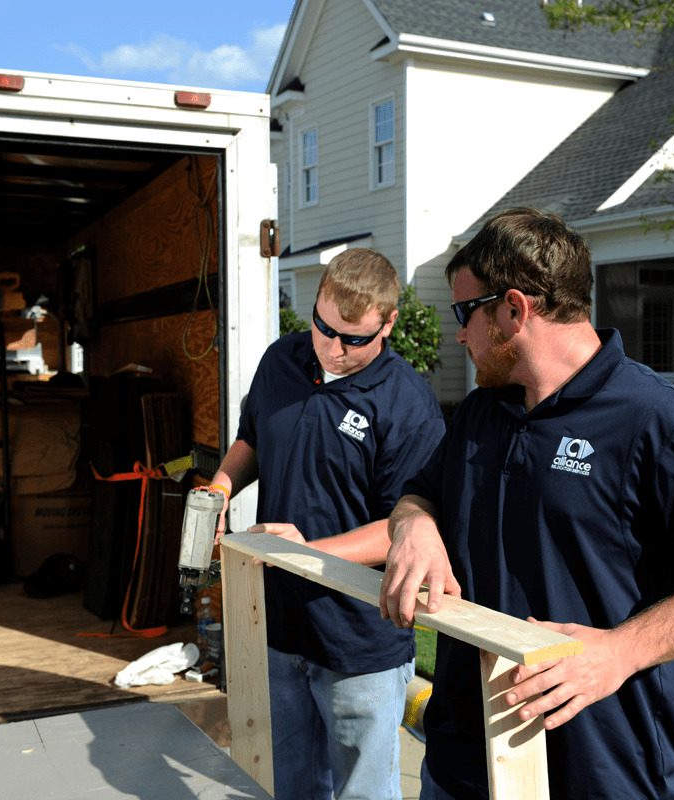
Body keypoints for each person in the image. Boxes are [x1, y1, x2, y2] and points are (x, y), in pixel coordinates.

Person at [378, 208, 674, 800]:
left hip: (599, 770)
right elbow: (418, 495)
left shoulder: (655, 419)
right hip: (463, 761)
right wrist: (413, 526)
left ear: (514, 310)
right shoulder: (478, 414)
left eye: (466, 313)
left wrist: (620, 652)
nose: (461, 334)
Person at [208, 248, 445, 800]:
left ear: (388, 323)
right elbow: (253, 439)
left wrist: (309, 549)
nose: (333, 349)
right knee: (289, 785)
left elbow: (404, 523)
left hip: (359, 639)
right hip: (279, 625)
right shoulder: (281, 360)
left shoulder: (407, 404)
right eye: (323, 328)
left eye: (353, 339)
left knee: (362, 791)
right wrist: (220, 485)